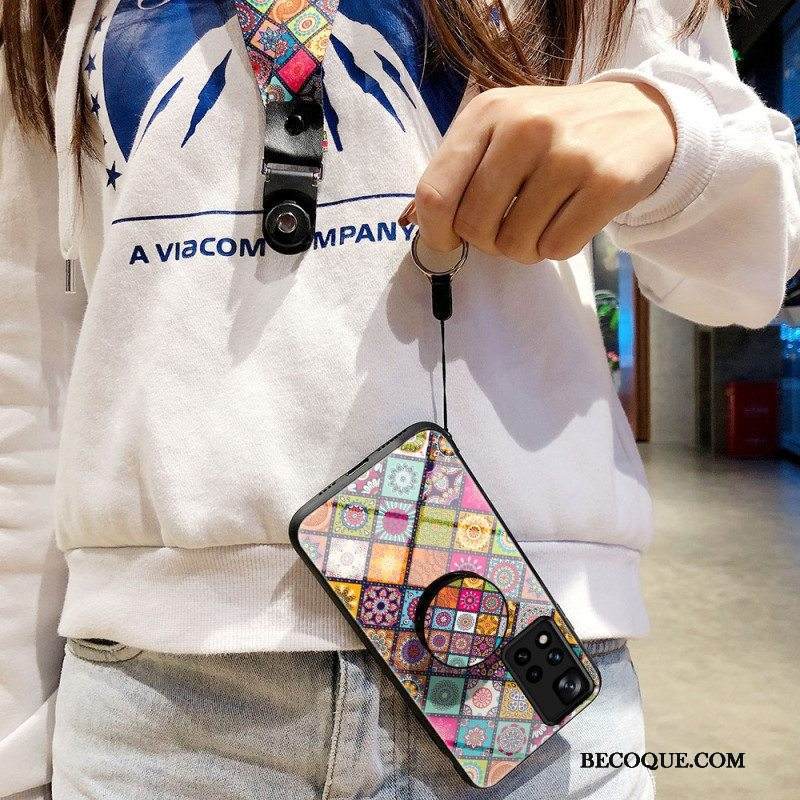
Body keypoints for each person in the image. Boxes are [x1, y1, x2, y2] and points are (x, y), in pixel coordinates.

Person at [1, 0, 797, 798]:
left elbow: (754, 264)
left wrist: (671, 130)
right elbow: (26, 371)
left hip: (521, 666)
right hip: (161, 706)